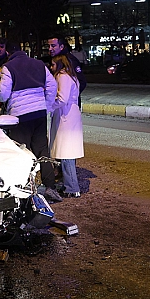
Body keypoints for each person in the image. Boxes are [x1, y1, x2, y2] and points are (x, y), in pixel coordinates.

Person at [0, 38, 62, 202]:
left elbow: (3, 95)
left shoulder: (8, 67)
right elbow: (52, 86)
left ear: (9, 52)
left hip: (20, 115)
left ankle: (22, 189)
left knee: (20, 151)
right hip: (39, 113)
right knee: (42, 150)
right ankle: (50, 187)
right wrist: (45, 105)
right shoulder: (39, 64)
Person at [48, 54, 84, 198]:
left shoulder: (62, 76)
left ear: (59, 64)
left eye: (53, 64)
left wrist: (49, 106)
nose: (51, 67)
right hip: (71, 115)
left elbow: (62, 98)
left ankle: (72, 188)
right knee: (68, 153)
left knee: (66, 153)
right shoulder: (72, 76)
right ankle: (69, 185)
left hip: (66, 116)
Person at [48, 35, 86, 107]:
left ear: (61, 47)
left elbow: (82, 81)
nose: (50, 49)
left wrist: (71, 96)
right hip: (59, 104)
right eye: (49, 46)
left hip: (69, 106)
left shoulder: (70, 60)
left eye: (53, 46)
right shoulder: (54, 60)